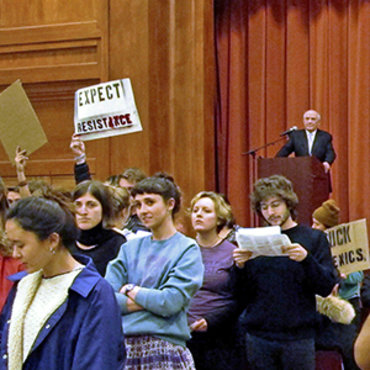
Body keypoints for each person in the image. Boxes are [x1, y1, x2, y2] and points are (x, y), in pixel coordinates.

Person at [0, 196, 125, 369]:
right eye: (12, 245)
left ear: (52, 240)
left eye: (20, 245)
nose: (15, 254)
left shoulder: (94, 293)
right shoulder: (21, 285)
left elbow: (97, 361)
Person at [233, 174, 338, 370]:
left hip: (298, 338)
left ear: (289, 204)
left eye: (275, 204)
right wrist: (239, 268)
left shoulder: (314, 238)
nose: (270, 212)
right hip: (258, 336)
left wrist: (306, 260)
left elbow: (326, 286)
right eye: (264, 207)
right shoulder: (254, 240)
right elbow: (241, 295)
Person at [105, 173, 204, 369]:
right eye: (139, 204)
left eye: (150, 202)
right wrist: (152, 301)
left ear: (170, 204)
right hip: (125, 348)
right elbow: (107, 299)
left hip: (165, 348)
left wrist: (131, 290)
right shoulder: (129, 248)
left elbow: (170, 302)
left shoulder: (187, 248)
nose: (143, 210)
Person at [186, 191, 243, 370]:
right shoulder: (182, 249)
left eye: (206, 211)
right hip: (182, 333)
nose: (199, 215)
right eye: (195, 210)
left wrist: (211, 320)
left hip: (219, 336)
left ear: (219, 219)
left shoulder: (232, 252)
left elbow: (240, 298)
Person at [313, 199, 364, 370]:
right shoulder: (317, 247)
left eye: (317, 223)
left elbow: (357, 276)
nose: (313, 227)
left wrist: (342, 275)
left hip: (348, 304)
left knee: (349, 351)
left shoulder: (347, 247)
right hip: (326, 308)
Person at [71, 180, 126, 276]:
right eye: (78, 205)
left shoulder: (117, 243)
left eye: (91, 205)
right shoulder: (64, 242)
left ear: (104, 209)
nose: (83, 212)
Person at [276, 110, 336, 174]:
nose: (309, 121)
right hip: (301, 172)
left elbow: (330, 153)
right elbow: (283, 152)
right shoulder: (296, 136)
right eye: (307, 119)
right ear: (303, 121)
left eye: (313, 119)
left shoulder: (325, 136)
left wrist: (327, 162)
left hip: (319, 172)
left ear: (318, 122)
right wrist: (277, 163)